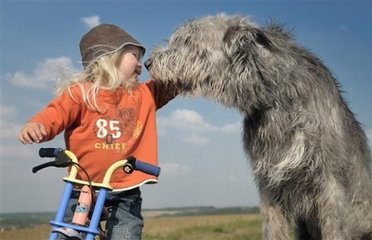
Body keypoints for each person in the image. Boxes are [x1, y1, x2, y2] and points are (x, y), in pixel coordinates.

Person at [18, 23, 177, 239]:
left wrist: (187, 64)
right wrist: (37, 125)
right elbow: (54, 114)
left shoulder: (144, 94)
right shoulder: (80, 94)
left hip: (126, 189)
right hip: (83, 187)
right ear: (109, 58)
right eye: (135, 56)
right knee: (67, 234)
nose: (141, 64)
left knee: (125, 234)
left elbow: (175, 82)